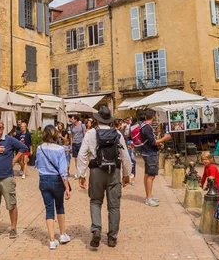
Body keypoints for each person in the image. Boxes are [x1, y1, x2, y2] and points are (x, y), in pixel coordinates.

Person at [78, 106, 132, 248]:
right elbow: (125, 157)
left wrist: (82, 174)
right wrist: (126, 174)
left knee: (95, 201)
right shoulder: (118, 134)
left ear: (97, 119)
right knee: (114, 206)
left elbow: (82, 154)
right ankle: (112, 237)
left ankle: (96, 229)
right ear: (110, 120)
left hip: (96, 171)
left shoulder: (90, 133)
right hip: (114, 172)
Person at [35, 125, 71, 249]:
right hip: (56, 179)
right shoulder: (60, 149)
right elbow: (63, 171)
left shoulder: (39, 148)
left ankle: (51, 240)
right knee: (59, 206)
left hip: (43, 179)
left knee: (49, 208)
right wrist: (67, 187)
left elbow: (38, 164)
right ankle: (62, 234)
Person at [140, 109, 171, 207]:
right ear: (153, 116)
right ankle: (148, 198)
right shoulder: (148, 128)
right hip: (150, 154)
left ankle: (148, 196)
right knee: (151, 176)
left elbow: (151, 141)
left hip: (146, 152)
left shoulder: (144, 126)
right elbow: (153, 142)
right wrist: (165, 138)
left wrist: (159, 142)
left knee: (147, 174)